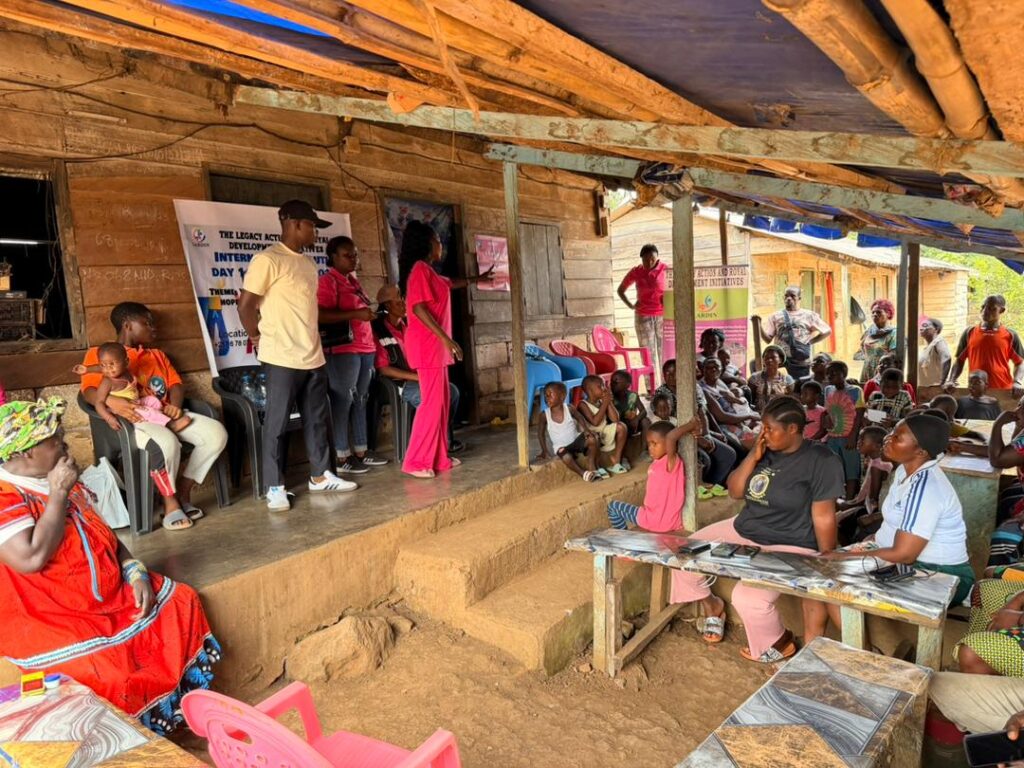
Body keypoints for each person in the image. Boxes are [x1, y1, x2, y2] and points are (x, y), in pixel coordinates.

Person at [0, 398, 221, 735]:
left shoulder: (60, 477)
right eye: (54, 439)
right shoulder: (9, 494)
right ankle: (129, 738)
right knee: (108, 669)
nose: (64, 442)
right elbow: (30, 558)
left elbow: (103, 534)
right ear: (27, 452)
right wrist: (58, 493)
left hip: (105, 594)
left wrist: (134, 570)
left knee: (181, 601)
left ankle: (172, 717)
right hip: (49, 610)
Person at [670, 396, 844, 660]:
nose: (763, 434)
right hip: (745, 528)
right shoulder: (765, 451)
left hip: (790, 542)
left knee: (748, 598)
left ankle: (779, 643)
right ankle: (712, 605)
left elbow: (823, 517)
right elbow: (735, 491)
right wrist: (753, 455)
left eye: (770, 429)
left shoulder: (821, 460)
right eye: (763, 427)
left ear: (792, 429)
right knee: (683, 553)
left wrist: (825, 558)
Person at [238, 201, 356, 510]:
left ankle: (320, 475)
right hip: (281, 356)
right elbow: (246, 305)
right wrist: (256, 336)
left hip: (312, 354)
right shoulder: (268, 259)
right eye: (312, 226)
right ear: (294, 224)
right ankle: (274, 487)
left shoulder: (306, 264)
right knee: (276, 423)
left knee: (317, 419)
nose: (315, 233)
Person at [80, 302, 229, 530]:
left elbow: (176, 384)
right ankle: (170, 503)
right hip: (134, 419)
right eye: (147, 323)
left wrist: (175, 406)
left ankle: (183, 490)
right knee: (166, 442)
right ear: (128, 325)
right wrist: (111, 401)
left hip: (163, 414)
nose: (153, 328)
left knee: (216, 433)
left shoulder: (157, 355)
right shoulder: (102, 354)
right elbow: (89, 391)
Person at [828, 415, 975, 605]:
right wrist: (876, 539)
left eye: (897, 437)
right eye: (891, 432)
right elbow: (898, 521)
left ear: (920, 451)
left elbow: (905, 554)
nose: (887, 438)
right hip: (906, 561)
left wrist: (844, 555)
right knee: (830, 579)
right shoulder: (904, 471)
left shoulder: (925, 487)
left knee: (840, 588)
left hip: (940, 573)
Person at [398, 220, 491, 479]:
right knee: (431, 404)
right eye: (438, 240)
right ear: (428, 244)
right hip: (427, 347)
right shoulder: (419, 269)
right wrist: (446, 340)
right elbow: (418, 308)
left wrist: (477, 279)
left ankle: (438, 457)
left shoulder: (429, 272)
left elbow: (452, 283)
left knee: (441, 402)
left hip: (435, 348)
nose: (441, 245)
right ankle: (416, 461)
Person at [318, 236, 388, 475]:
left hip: (365, 347)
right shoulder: (328, 282)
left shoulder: (353, 282)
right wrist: (356, 314)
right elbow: (321, 315)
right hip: (342, 349)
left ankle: (361, 450)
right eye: (347, 255)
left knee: (360, 399)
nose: (353, 259)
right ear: (333, 257)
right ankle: (341, 455)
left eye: (355, 255)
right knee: (343, 399)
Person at [372, 284, 464, 453]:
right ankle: (427, 446)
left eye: (403, 299)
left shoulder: (407, 326)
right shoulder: (379, 331)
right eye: (398, 301)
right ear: (387, 306)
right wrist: (418, 378)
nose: (403, 304)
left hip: (418, 378)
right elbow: (384, 369)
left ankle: (443, 439)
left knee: (452, 391)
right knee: (429, 398)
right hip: (397, 384)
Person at [606, 417, 701, 531]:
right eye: (649, 444)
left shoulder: (670, 462)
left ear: (669, 444)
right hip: (668, 522)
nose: (650, 448)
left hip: (652, 519)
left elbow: (671, 437)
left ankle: (623, 537)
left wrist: (692, 425)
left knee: (613, 507)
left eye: (655, 444)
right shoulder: (660, 462)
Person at [75, 343, 191, 432]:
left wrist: (88, 369)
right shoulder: (107, 382)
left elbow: (100, 367)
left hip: (136, 402)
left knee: (153, 400)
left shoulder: (125, 372)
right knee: (147, 411)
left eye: (112, 364)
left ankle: (160, 416)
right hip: (127, 410)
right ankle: (171, 425)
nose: (108, 369)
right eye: (103, 365)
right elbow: (99, 402)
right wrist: (109, 418)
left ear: (126, 362)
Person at [946, 294, 1024, 397]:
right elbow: (959, 361)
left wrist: (1017, 381)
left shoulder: (1010, 335)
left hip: (1003, 391)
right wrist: (952, 380)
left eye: (992, 308)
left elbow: (1020, 363)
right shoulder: (969, 333)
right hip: (976, 392)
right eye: (983, 307)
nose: (985, 311)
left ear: (1002, 310)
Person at [752, 286, 831, 380]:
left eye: (793, 296)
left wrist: (810, 342)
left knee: (799, 385)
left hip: (800, 362)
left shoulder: (809, 315)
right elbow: (767, 339)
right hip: (781, 361)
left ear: (799, 298)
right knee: (779, 383)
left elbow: (827, 331)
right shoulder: (775, 316)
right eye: (786, 296)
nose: (789, 298)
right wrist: (759, 325)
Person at [617, 244, 667, 381]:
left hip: (663, 316)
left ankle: (667, 385)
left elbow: (676, 289)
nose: (649, 262)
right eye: (645, 260)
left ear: (657, 258)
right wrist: (631, 305)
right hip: (643, 317)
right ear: (641, 259)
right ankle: (651, 388)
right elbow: (620, 290)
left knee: (664, 352)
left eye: (652, 259)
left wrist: (668, 302)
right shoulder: (636, 271)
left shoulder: (666, 270)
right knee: (647, 354)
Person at [536, 382, 601, 483]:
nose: (547, 397)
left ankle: (592, 466)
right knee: (565, 456)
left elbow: (579, 417)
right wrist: (544, 450)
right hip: (562, 447)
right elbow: (540, 433)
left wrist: (586, 430)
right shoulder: (544, 415)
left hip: (576, 441)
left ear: (562, 396)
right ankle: (583, 473)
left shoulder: (569, 408)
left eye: (550, 394)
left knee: (593, 437)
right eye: (545, 395)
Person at [835, 426, 892, 540]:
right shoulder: (874, 461)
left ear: (877, 446)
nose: (858, 442)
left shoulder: (877, 466)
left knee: (836, 515)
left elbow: (873, 497)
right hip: (863, 504)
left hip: (869, 509)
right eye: (859, 439)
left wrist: (852, 505)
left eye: (862, 440)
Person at [823, 360, 865, 498]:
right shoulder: (828, 390)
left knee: (851, 468)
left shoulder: (855, 391)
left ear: (844, 374)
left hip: (848, 436)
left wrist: (853, 436)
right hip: (833, 436)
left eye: (834, 373)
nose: (830, 376)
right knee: (834, 468)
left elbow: (859, 415)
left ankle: (850, 499)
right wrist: (827, 419)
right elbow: (828, 411)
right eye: (828, 373)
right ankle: (836, 497)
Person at [579, 375, 629, 474]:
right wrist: (605, 403)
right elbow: (595, 422)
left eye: (604, 385)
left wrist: (608, 402)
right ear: (590, 390)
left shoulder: (602, 401)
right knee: (595, 437)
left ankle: (616, 461)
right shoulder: (582, 405)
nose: (604, 388)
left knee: (621, 426)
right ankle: (597, 465)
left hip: (603, 432)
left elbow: (615, 419)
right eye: (600, 386)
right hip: (591, 437)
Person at [858, 299, 898, 383]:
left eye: (878, 312)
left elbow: (893, 355)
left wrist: (881, 366)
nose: (875, 314)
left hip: (882, 370)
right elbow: (862, 347)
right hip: (867, 369)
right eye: (873, 312)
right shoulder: (869, 331)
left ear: (888, 314)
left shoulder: (893, 333)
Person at [747, 345, 795, 411]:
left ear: (780, 360)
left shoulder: (787, 380)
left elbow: (791, 402)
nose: (769, 360)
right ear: (763, 360)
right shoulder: (754, 378)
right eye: (766, 357)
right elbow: (749, 400)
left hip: (779, 414)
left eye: (773, 357)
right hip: (759, 414)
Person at [610, 369, 650, 447]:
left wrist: (637, 419)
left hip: (632, 425)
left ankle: (644, 448)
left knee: (646, 421)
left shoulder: (633, 396)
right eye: (611, 382)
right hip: (619, 427)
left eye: (616, 382)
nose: (612, 384)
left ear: (627, 385)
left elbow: (643, 411)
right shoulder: (610, 398)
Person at [919, 317, 952, 388]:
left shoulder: (938, 341)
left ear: (936, 329)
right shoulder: (927, 347)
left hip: (936, 389)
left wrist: (942, 382)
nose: (921, 328)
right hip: (927, 389)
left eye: (925, 325)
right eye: (921, 326)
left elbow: (947, 358)